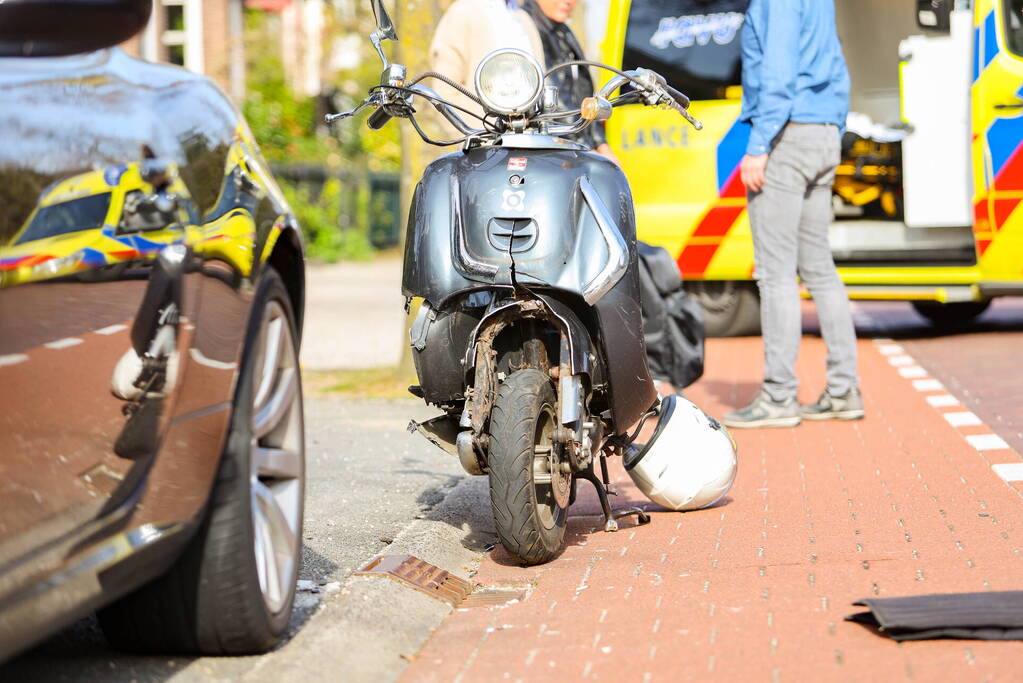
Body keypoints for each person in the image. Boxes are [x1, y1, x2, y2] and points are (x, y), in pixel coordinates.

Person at [722, 0, 863, 429]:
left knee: (776, 274)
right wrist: (833, 127)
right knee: (819, 269)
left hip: (788, 134)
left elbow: (778, 75)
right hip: (822, 131)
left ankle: (779, 396)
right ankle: (844, 390)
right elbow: (837, 62)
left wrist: (759, 144)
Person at [519, 0, 616, 161]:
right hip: (548, 148)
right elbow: (553, 99)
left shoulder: (562, 30)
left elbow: (583, 92)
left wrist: (601, 143)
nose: (569, 1)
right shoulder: (524, 28)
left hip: (570, 140)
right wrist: (586, 148)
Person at [429, 0, 543, 136]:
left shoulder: (523, 18)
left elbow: (541, 81)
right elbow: (443, 92)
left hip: (531, 140)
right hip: (485, 142)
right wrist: (474, 139)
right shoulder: (463, 11)